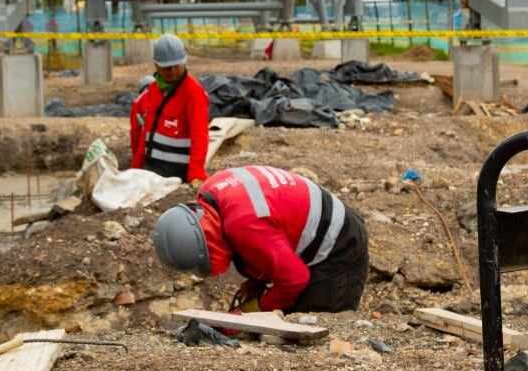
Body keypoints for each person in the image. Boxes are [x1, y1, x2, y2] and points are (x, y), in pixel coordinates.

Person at [152, 165, 369, 314]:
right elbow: (271, 231)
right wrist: (258, 281)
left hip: (340, 246)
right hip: (323, 224)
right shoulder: (211, 192)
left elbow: (295, 280)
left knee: (308, 325)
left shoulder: (245, 224)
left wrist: (252, 313)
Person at [129, 33, 210, 183]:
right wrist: (136, 168)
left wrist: (196, 175)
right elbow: (145, 134)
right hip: (151, 170)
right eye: (167, 68)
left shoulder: (194, 92)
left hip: (178, 174)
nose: (172, 72)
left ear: (184, 62)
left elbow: (200, 137)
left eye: (176, 66)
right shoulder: (153, 91)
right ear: (157, 66)